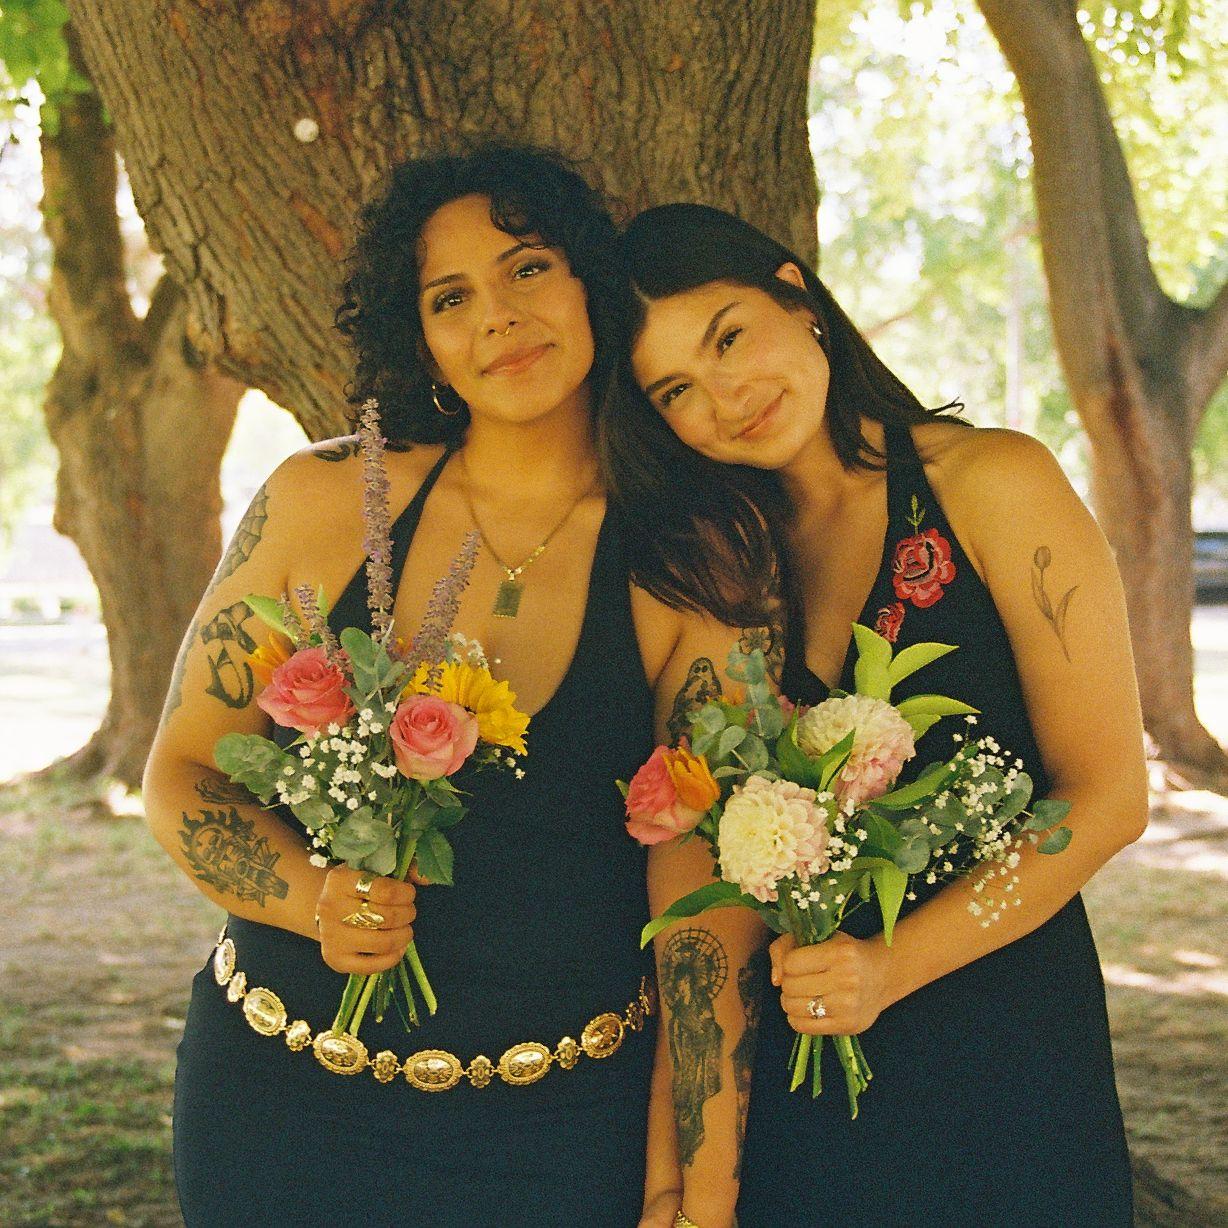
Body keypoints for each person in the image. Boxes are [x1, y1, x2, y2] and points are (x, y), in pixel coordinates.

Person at [145, 149, 756, 1226]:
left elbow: (703, 903)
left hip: (564, 1129)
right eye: (450, 296)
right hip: (281, 1116)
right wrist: (316, 898)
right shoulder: (318, 505)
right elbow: (184, 774)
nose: (497, 318)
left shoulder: (689, 555)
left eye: (527, 269)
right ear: (418, 337)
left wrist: (690, 1178)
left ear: (589, 288)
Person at [605, 202, 1147, 1227]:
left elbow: (1110, 796)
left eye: (728, 335)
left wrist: (893, 964)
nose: (725, 396)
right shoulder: (723, 570)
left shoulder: (989, 480)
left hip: (1007, 1054)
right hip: (804, 1083)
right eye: (675, 388)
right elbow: (700, 875)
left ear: (797, 295)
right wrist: (693, 1177)